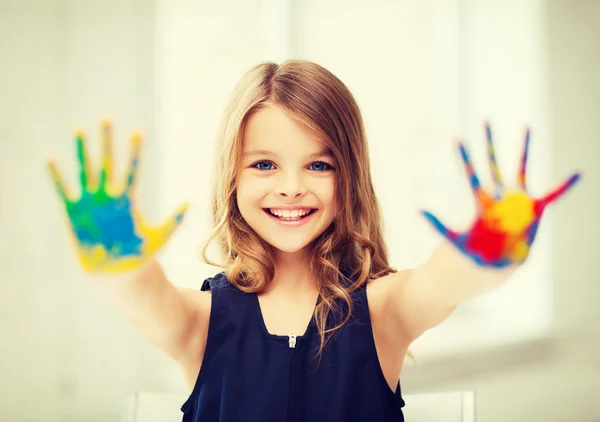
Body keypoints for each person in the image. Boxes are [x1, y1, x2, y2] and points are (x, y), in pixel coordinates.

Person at [47, 60, 581, 422]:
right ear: (231, 178)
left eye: (318, 164)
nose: (291, 187)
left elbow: (446, 280)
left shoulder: (384, 310)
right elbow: (140, 296)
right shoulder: (198, 321)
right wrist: (118, 259)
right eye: (264, 164)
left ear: (349, 175)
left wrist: (488, 248)